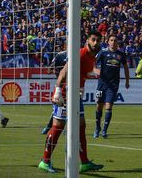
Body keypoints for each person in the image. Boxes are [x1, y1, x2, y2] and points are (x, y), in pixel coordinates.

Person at [38, 30, 104, 173]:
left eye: (98, 40)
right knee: (58, 127)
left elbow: (84, 72)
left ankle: (85, 162)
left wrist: (93, 75)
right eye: (93, 39)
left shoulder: (93, 56)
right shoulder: (80, 53)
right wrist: (57, 92)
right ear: (87, 40)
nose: (95, 43)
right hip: (64, 94)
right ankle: (45, 160)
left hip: (76, 95)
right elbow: (63, 72)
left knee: (81, 126)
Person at [94, 34, 130, 139]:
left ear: (117, 42)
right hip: (102, 83)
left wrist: (127, 81)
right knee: (99, 106)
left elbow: (126, 68)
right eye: (111, 40)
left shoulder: (121, 55)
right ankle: (97, 128)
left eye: (115, 40)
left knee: (108, 106)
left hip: (113, 84)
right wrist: (95, 70)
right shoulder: (103, 52)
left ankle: (104, 130)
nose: (113, 42)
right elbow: (93, 63)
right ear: (108, 41)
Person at [41, 45, 67, 135]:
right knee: (60, 106)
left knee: (67, 106)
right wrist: (59, 73)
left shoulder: (76, 55)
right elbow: (49, 70)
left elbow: (49, 70)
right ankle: (49, 126)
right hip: (64, 85)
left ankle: (64, 128)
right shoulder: (61, 55)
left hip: (68, 85)